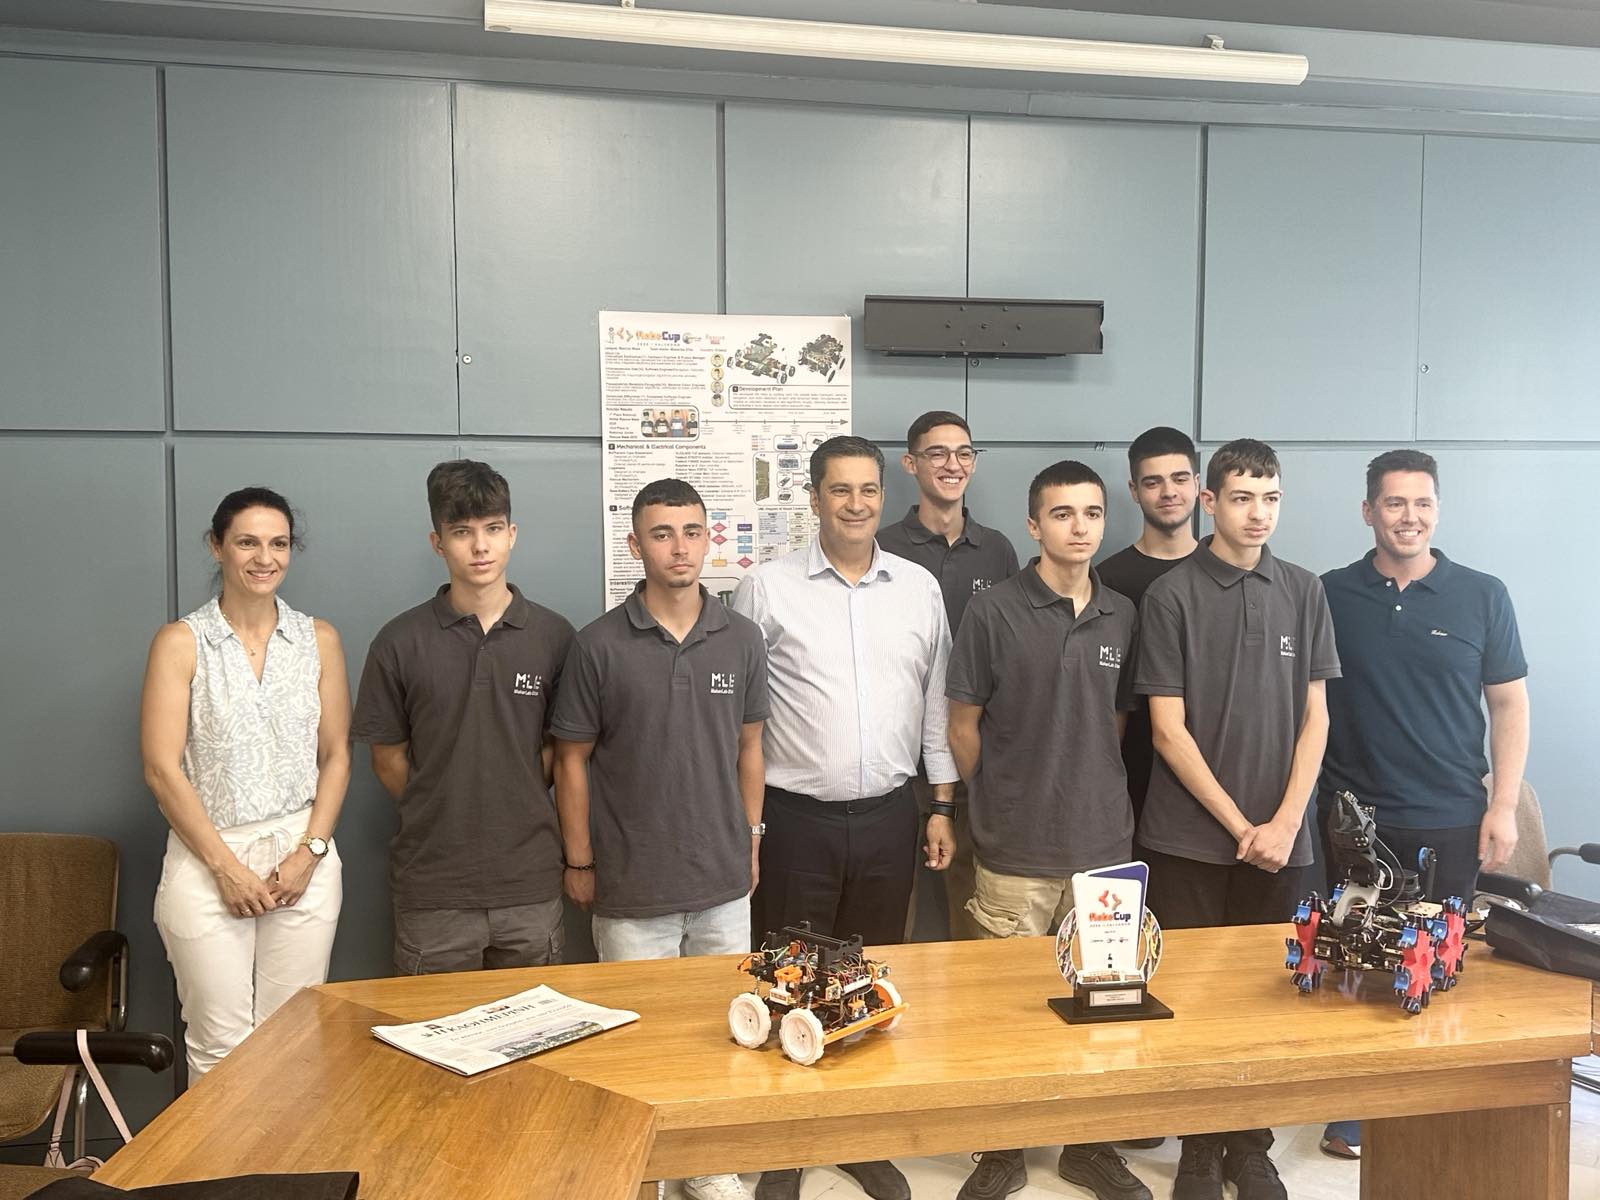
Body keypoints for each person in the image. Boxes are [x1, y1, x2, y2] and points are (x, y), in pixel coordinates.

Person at [731, 435, 957, 1200]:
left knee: (864, 987)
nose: (855, 504)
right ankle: (786, 1149)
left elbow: (935, 705)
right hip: (797, 822)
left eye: (867, 490)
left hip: (891, 817)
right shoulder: (766, 588)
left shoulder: (919, 588)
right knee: (791, 982)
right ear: (814, 499)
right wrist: (748, 824)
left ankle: (857, 1138)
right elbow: (742, 722)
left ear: (883, 497)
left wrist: (941, 803)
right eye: (839, 490)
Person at [551, 478, 769, 1200]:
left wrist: (752, 838)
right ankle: (641, 1173)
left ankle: (706, 1168)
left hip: (720, 881)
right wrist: (579, 860)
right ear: (636, 544)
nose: (680, 547)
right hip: (631, 884)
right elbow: (572, 762)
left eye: (692, 531)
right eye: (663, 533)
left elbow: (750, 749)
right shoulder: (597, 645)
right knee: (638, 1044)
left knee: (724, 1032)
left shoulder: (741, 638)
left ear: (709, 539)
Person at [1134, 439, 1340, 1200]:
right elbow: (1167, 731)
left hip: (1285, 839)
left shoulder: (1305, 590)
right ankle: (1197, 1147)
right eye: (1243, 498)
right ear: (1210, 502)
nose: (1259, 514)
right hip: (1187, 840)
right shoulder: (1171, 595)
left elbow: (1317, 717)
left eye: (1271, 498)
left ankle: (1250, 1147)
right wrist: (1239, 826)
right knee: (1191, 997)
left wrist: (1284, 822)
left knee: (1264, 998)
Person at [1314, 449, 1529, 1161]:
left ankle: (1428, 1103)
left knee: (1434, 962)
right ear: (1368, 510)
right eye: (1395, 502)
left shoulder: (1483, 594)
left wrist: (1502, 805)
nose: (1410, 516)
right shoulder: (1328, 593)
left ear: (1436, 510)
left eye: (1422, 503)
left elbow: (1508, 704)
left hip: (1450, 814)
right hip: (1352, 819)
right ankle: (1352, 1110)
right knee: (1353, 961)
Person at [947, 462, 1150, 1200]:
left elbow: (1113, 723)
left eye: (1091, 513)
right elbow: (963, 726)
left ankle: (1088, 1147)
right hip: (1014, 847)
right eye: (1062, 514)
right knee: (1004, 1009)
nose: (1079, 527)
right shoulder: (992, 611)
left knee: (1106, 1001)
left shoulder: (1123, 614)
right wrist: (1002, 795)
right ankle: (1001, 1148)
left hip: (1101, 846)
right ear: (1034, 525)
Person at [141, 487, 349, 1077]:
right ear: (217, 546)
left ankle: (287, 1149)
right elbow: (161, 768)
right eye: (247, 542)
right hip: (208, 855)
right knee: (218, 1046)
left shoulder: (319, 639)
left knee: (294, 1039)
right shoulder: (181, 642)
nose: (265, 558)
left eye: (279, 543)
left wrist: (310, 852)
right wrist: (226, 868)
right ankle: (220, 1150)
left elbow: (337, 755)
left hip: (301, 855)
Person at [352, 460, 575, 974]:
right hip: (434, 888)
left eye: (492, 529)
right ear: (438, 543)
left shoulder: (555, 637)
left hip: (529, 885)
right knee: (433, 1026)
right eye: (461, 532)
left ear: (512, 534)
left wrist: (511, 794)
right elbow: (387, 760)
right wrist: (443, 802)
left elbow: (559, 753)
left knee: (537, 1023)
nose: (480, 546)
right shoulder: (398, 641)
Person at [877, 409, 1019, 940]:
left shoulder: (998, 549)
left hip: (975, 756)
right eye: (937, 453)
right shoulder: (883, 546)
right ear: (910, 463)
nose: (952, 464)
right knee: (897, 909)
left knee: (973, 907)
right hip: (900, 761)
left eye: (963, 453)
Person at [1097, 426, 1200, 825]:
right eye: (1153, 482)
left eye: (1179, 479)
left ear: (1197, 484)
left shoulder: (1222, 575)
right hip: (1127, 775)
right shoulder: (1105, 580)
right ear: (1134, 490)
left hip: (1211, 775)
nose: (1168, 492)